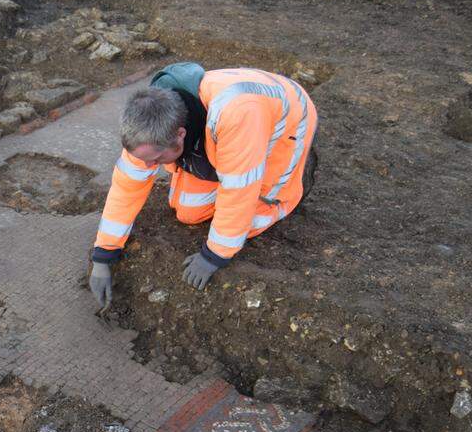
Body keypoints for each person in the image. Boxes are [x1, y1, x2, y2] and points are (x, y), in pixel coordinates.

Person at [89, 62, 318, 304]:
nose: (149, 167)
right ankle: (225, 163)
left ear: (180, 135)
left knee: (250, 217)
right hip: (230, 134)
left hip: (283, 128)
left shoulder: (236, 113)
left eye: (156, 160)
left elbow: (239, 190)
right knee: (188, 211)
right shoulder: (148, 127)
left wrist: (214, 256)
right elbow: (126, 187)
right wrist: (103, 256)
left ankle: (297, 176)